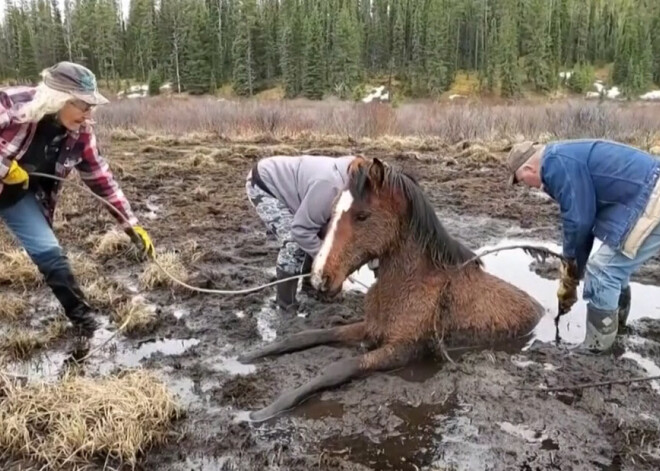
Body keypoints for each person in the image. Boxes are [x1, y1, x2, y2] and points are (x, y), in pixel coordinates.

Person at [0, 61, 154, 337]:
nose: (88, 114)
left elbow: (101, 179)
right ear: (59, 99)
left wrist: (131, 225)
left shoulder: (80, 133)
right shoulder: (11, 104)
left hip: (17, 198)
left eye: (91, 107)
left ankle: (85, 323)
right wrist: (4, 167)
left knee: (50, 254)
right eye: (83, 105)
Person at [507, 139, 660, 352]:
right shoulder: (562, 156)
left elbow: (578, 221)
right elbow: (584, 220)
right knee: (614, 266)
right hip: (645, 193)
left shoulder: (555, 163)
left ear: (528, 168)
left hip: (652, 196)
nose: (527, 185)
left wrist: (570, 268)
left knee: (602, 270)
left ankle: (597, 350)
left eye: (522, 180)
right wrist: (575, 270)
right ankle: (617, 331)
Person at [246, 154, 375, 312]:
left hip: (304, 192)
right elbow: (301, 231)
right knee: (294, 243)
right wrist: (330, 262)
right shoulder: (330, 186)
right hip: (264, 183)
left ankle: (311, 288)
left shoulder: (357, 181)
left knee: (325, 232)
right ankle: (285, 306)